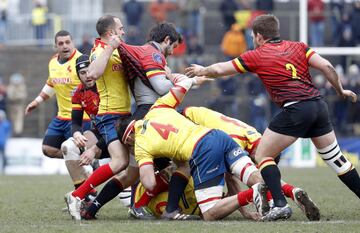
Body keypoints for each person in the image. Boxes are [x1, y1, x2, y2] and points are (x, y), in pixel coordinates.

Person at [185, 14, 360, 221]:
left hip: (296, 109)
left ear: (259, 36)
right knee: (336, 160)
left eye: (252, 36)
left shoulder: (257, 55)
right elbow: (327, 67)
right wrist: (341, 91)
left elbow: (221, 69)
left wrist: (201, 70)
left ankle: (280, 204)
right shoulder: (299, 47)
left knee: (262, 155)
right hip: (318, 106)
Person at [117, 74, 268, 221]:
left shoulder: (141, 146)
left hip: (203, 149)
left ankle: (251, 194)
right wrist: (194, 79)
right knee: (255, 178)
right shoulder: (157, 108)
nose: (130, 148)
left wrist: (144, 166)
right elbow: (182, 85)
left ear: (129, 137)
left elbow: (150, 183)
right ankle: (276, 200)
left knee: (209, 213)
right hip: (220, 136)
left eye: (128, 145)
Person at [80, 22, 190, 220]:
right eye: (173, 47)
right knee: (177, 164)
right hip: (148, 115)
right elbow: (162, 87)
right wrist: (185, 80)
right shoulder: (152, 54)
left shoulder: (138, 53)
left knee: (132, 172)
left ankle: (91, 208)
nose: (172, 52)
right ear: (166, 40)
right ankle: (165, 209)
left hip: (137, 115)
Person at [182, 106, 320, 221]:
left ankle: (290, 192)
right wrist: (244, 213)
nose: (257, 164)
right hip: (187, 118)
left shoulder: (256, 136)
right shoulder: (238, 141)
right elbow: (230, 179)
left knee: (254, 178)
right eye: (258, 162)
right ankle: (288, 193)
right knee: (252, 177)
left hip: (201, 126)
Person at [64, 15, 132, 221]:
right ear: (110, 33)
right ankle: (77, 195)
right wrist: (110, 48)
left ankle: (92, 204)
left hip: (123, 114)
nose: (123, 31)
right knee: (120, 162)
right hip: (110, 115)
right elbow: (93, 73)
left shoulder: (119, 49)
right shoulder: (99, 51)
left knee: (133, 164)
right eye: (120, 28)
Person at [25, 30, 91, 189]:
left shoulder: (81, 62)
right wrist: (37, 101)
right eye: (61, 43)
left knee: (71, 151)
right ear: (56, 46)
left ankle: (84, 194)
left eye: (68, 42)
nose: (65, 46)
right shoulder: (53, 61)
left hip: (81, 118)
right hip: (61, 117)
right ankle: (87, 164)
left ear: (73, 42)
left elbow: (93, 84)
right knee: (48, 149)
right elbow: (51, 83)